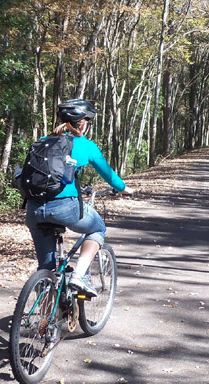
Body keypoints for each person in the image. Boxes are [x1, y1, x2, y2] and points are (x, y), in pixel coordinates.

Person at [25, 98, 133, 297]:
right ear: (82, 123)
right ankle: (78, 276)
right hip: (65, 208)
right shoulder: (85, 145)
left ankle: (44, 323)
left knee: (47, 269)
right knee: (97, 228)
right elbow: (109, 175)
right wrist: (124, 189)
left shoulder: (42, 141)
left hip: (33, 209)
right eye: (88, 123)